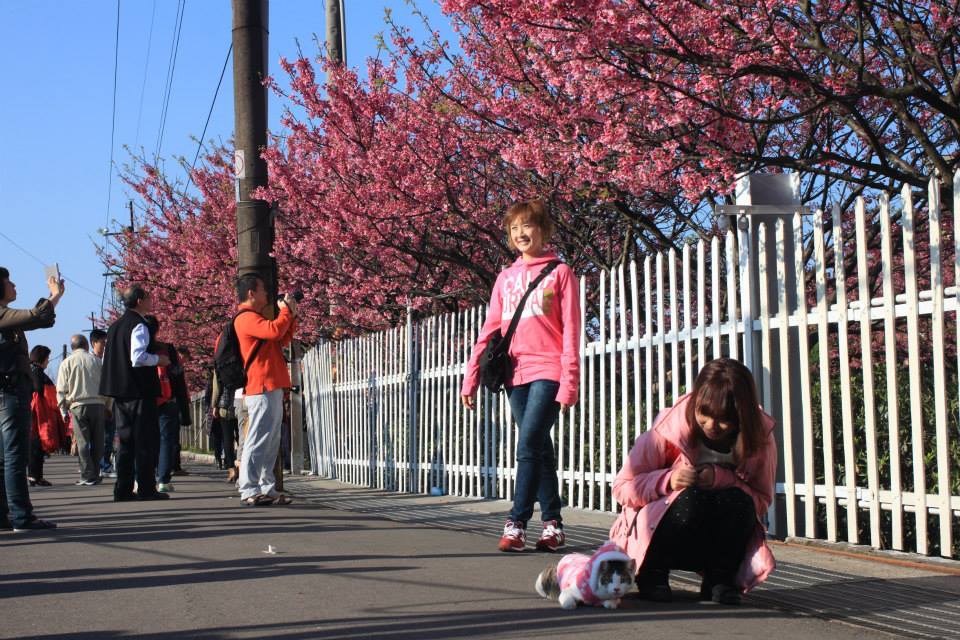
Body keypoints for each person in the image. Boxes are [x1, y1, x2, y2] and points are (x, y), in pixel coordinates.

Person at [460, 199, 581, 552]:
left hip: (549, 369)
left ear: (543, 230)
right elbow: (489, 329)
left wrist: (569, 383)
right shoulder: (506, 277)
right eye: (514, 229)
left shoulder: (560, 273)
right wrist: (471, 377)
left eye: (527, 226)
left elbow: (571, 332)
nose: (520, 233)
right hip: (515, 373)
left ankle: (516, 522)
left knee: (527, 445)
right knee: (540, 448)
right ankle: (554, 525)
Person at [608, 358, 777, 605]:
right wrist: (667, 480)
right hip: (661, 530)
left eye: (724, 419)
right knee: (691, 498)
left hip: (713, 536)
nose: (712, 425)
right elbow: (622, 487)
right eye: (704, 414)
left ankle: (719, 579)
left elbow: (761, 500)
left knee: (740, 502)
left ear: (742, 416)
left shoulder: (760, 438)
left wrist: (722, 478)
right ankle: (653, 573)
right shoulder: (668, 428)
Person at [0, 267, 63, 531]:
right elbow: (36, 316)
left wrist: (54, 298)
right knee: (15, 455)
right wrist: (55, 295)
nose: (14, 285)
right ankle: (22, 516)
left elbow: (38, 319)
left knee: (4, 458)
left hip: (7, 390)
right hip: (10, 390)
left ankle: (5, 515)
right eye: (8, 282)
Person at [99, 285, 171, 501]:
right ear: (139, 300)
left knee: (125, 442)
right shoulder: (139, 325)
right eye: (148, 297)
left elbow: (108, 359)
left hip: (120, 392)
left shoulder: (114, 327)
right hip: (139, 391)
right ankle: (147, 488)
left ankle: (122, 488)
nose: (151, 301)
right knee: (145, 441)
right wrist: (159, 360)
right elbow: (138, 357)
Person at [234, 273, 298, 506]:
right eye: (262, 290)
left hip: (271, 384)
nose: (267, 295)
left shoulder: (257, 318)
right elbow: (273, 331)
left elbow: (280, 338)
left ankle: (267, 487)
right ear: (251, 293)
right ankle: (248, 489)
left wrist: (291, 315)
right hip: (260, 386)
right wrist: (285, 313)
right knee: (257, 439)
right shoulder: (246, 318)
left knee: (271, 440)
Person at [143, 316, 191, 493]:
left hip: (145, 400)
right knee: (165, 440)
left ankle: (144, 477)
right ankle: (163, 479)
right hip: (167, 399)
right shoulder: (167, 348)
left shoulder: (137, 348)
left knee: (145, 439)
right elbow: (177, 374)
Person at [56, 334, 110, 486]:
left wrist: (63, 411)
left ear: (72, 347)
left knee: (83, 442)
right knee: (98, 441)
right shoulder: (97, 361)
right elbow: (107, 385)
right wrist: (108, 406)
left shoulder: (66, 363)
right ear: (87, 345)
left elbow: (61, 389)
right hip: (98, 404)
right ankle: (96, 472)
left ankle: (87, 475)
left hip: (77, 405)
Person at [28, 345, 65, 486]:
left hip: (33, 412)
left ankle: (35, 475)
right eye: (47, 358)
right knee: (37, 444)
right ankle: (34, 476)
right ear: (42, 358)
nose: (48, 361)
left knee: (35, 444)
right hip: (39, 413)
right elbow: (38, 389)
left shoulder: (30, 369)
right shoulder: (37, 372)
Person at [90, 328, 116, 478]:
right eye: (102, 343)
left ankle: (104, 464)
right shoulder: (90, 361)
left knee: (108, 437)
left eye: (106, 343)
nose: (105, 346)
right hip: (97, 402)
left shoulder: (107, 360)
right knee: (99, 437)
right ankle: (100, 465)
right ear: (93, 343)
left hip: (108, 403)